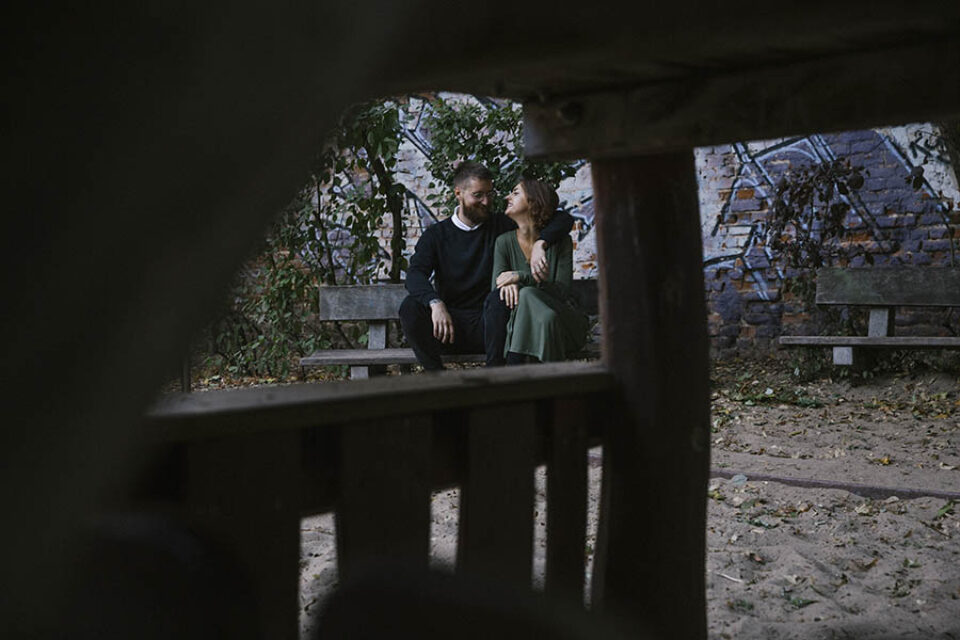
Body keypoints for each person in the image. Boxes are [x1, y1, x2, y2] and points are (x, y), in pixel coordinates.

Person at [400, 162, 574, 370]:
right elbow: (415, 274)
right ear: (459, 193)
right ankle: (438, 380)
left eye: (490, 194)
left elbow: (562, 218)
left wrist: (540, 242)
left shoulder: (501, 225)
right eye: (478, 195)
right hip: (448, 328)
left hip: (493, 326)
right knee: (410, 307)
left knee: (498, 297)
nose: (486, 201)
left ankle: (495, 377)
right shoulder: (436, 236)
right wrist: (435, 303)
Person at [491, 179, 588, 364]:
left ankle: (514, 365)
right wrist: (518, 282)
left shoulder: (561, 242)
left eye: (515, 193)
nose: (507, 197)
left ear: (534, 202)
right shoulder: (503, 242)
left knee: (528, 294)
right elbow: (497, 289)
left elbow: (561, 292)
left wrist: (519, 277)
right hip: (539, 323)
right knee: (544, 317)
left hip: (565, 325)